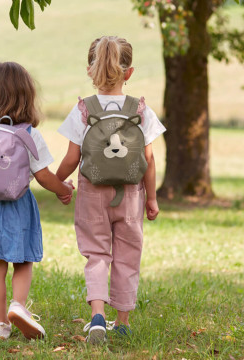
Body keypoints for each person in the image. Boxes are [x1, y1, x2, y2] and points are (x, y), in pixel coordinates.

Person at [56, 36, 166, 344]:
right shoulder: (141, 111)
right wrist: (152, 198)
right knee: (128, 254)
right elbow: (149, 159)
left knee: (96, 253)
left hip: (92, 192)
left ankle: (97, 316)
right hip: (131, 194)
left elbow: (71, 158)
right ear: (129, 73)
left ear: (89, 71)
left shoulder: (83, 110)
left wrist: (58, 182)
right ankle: (123, 321)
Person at [0, 62, 73, 341]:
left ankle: (0, 324)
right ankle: (18, 306)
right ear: (27, 97)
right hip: (18, 207)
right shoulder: (28, 134)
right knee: (22, 261)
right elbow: (44, 175)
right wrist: (62, 189)